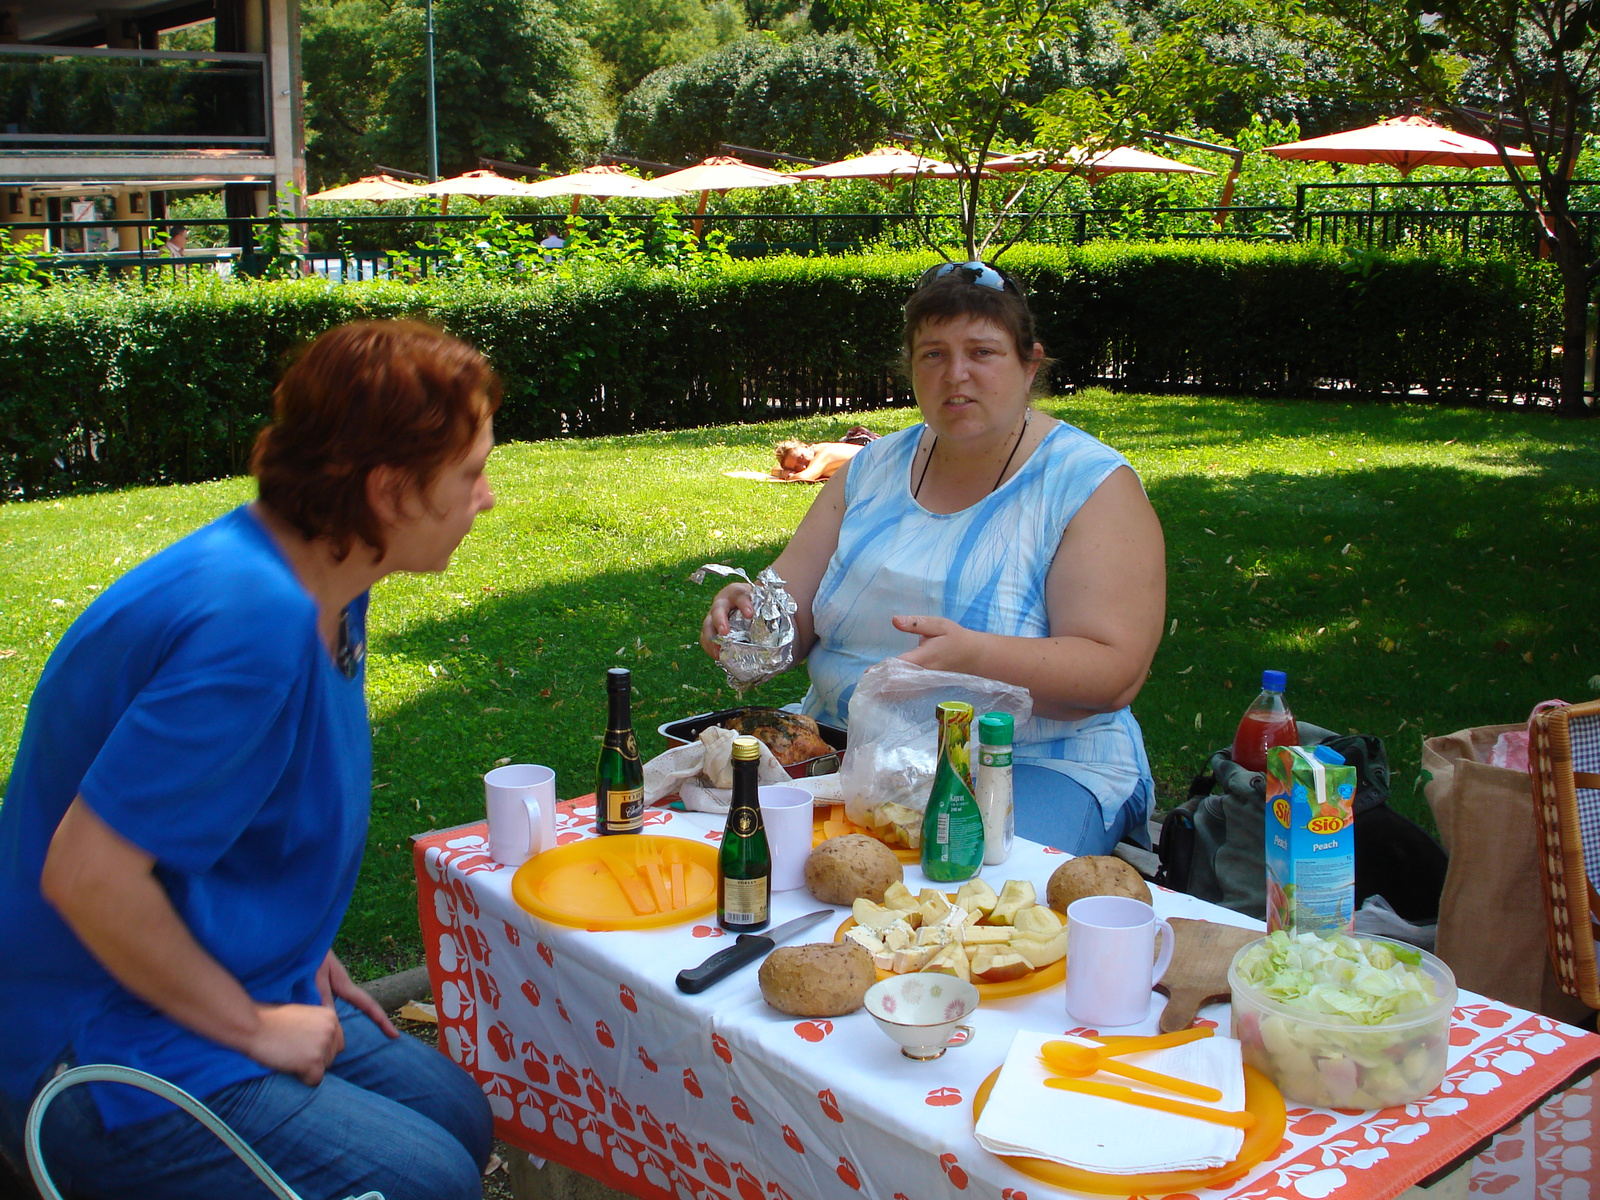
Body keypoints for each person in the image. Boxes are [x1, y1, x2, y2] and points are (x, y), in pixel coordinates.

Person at [0, 321, 498, 1200]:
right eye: (469, 474)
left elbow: (238, 816)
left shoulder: (330, 582)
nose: (486, 498)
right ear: (388, 492)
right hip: (91, 1043)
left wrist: (298, 947)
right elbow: (86, 875)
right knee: (429, 1182)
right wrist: (256, 1026)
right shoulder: (251, 626)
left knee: (455, 1113)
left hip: (209, 974)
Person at [702, 261, 1166, 855]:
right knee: (737, 859)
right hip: (844, 752)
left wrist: (974, 659)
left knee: (955, 901)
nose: (957, 375)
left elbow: (1113, 674)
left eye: (983, 352)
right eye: (934, 354)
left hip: (1027, 763)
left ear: (1030, 365)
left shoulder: (1090, 485)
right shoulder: (869, 471)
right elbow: (787, 617)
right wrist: (744, 624)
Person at [772, 437, 866, 482]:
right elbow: (774, 469)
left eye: (801, 458)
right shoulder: (813, 452)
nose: (803, 466)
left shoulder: (824, 453)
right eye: (796, 468)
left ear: (805, 447)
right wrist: (783, 472)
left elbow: (805, 477)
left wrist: (788, 475)